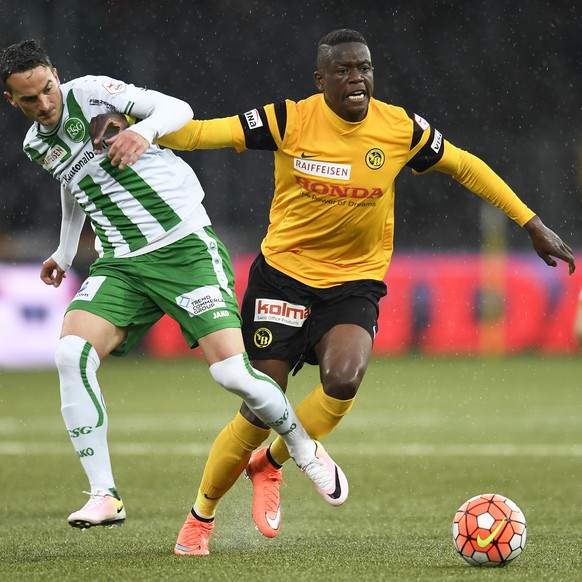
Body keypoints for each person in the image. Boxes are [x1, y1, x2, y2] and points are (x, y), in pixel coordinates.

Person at [90, 28, 576, 554]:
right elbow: (200, 133)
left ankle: (271, 464)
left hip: (354, 281)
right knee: (258, 409)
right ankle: (200, 517)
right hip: (283, 277)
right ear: (320, 80)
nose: (357, 78)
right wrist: (139, 127)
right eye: (343, 70)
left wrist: (529, 221)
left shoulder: (400, 128)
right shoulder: (288, 119)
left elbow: (465, 165)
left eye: (364, 68)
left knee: (344, 378)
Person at [0, 39, 350, 556]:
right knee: (69, 353)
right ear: (12, 100)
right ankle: (104, 494)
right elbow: (74, 183)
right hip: (121, 263)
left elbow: (178, 110)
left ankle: (300, 446)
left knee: (232, 374)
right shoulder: (36, 143)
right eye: (30, 100)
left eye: (48, 89)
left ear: (55, 73)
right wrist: (63, 247)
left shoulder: (95, 93)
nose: (45, 105)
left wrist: (141, 131)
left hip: (182, 246)